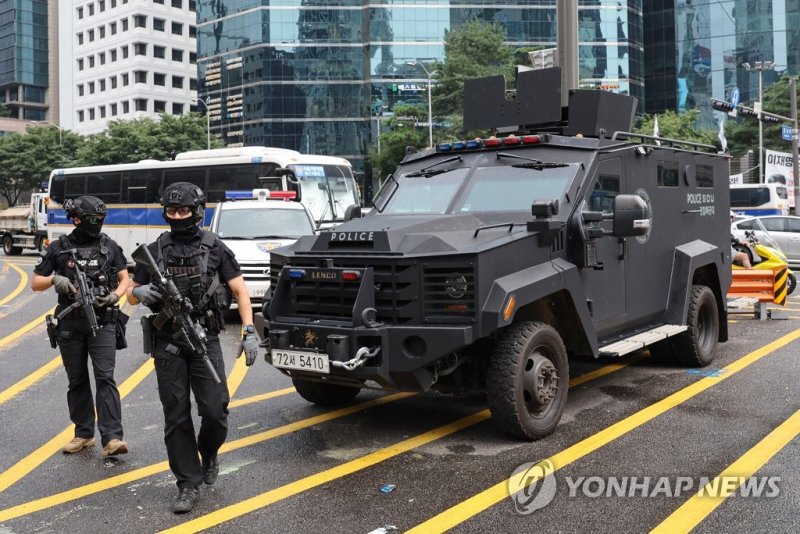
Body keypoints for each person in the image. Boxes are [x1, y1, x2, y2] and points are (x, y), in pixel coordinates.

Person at [127, 182, 259, 514]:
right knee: (176, 414)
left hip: (205, 338)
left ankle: (209, 451)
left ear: (197, 211)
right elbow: (131, 291)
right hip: (167, 342)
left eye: (183, 211)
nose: (177, 216)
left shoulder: (215, 247)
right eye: (171, 211)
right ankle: (187, 483)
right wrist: (138, 293)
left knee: (215, 409)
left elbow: (241, 291)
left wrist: (248, 331)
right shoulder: (156, 249)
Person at [31, 196, 130, 457]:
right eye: (92, 220)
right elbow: (36, 282)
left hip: (104, 321)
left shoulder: (109, 246)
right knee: (77, 380)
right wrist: (55, 279)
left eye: (100, 219)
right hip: (70, 324)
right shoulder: (58, 247)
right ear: (76, 220)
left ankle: (112, 437)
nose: (97, 224)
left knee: (105, 377)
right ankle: (83, 434)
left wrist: (115, 295)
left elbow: (124, 278)